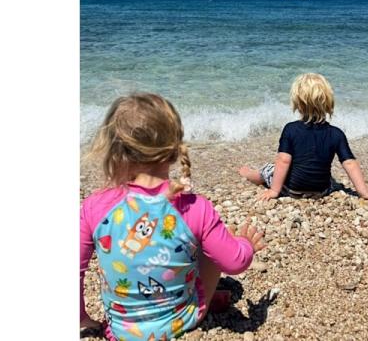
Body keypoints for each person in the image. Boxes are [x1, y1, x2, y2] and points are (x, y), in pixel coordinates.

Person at [80, 93, 266, 340]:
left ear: (116, 150)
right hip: (183, 321)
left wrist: (81, 318)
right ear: (173, 151)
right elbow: (235, 263)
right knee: (204, 243)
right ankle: (205, 297)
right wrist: (246, 246)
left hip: (121, 331)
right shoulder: (194, 207)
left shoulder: (95, 206)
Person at [238, 73, 368, 200]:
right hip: (321, 190)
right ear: (328, 102)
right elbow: (350, 163)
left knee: (268, 169)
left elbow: (283, 161)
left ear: (298, 103)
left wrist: (275, 190)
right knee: (331, 179)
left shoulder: (291, 129)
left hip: (291, 189)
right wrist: (364, 192)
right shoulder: (336, 133)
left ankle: (250, 174)